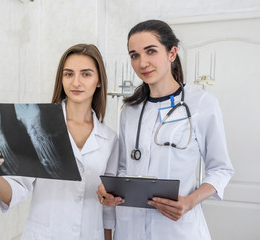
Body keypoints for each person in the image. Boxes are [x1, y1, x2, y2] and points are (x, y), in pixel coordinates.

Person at [97, 20, 234, 239]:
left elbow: (221, 170)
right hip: (131, 228)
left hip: (177, 228)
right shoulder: (129, 111)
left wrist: (189, 202)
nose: (143, 63)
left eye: (151, 51)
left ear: (172, 53)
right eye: (134, 55)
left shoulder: (202, 104)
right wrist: (110, 194)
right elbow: (123, 168)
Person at [0, 43, 118, 240]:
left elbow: (108, 211)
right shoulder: (37, 126)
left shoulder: (109, 139)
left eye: (86, 74)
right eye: (68, 74)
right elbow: (16, 191)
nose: (76, 82)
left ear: (99, 81)